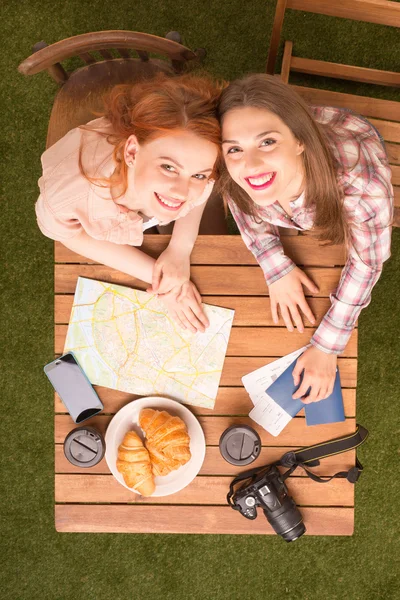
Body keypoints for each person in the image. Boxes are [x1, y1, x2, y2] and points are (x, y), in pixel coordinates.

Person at [218, 73, 393, 403]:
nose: (249, 165)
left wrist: (327, 347)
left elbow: (367, 263)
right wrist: (276, 267)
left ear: (300, 141)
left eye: (267, 142)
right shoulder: (236, 168)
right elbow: (239, 195)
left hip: (353, 138)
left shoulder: (362, 188)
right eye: (235, 149)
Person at [35, 73, 226, 333]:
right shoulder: (71, 196)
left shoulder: (197, 162)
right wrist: (160, 280)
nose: (182, 192)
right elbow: (64, 232)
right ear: (132, 152)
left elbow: (206, 187)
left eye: (199, 175)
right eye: (168, 167)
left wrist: (180, 248)